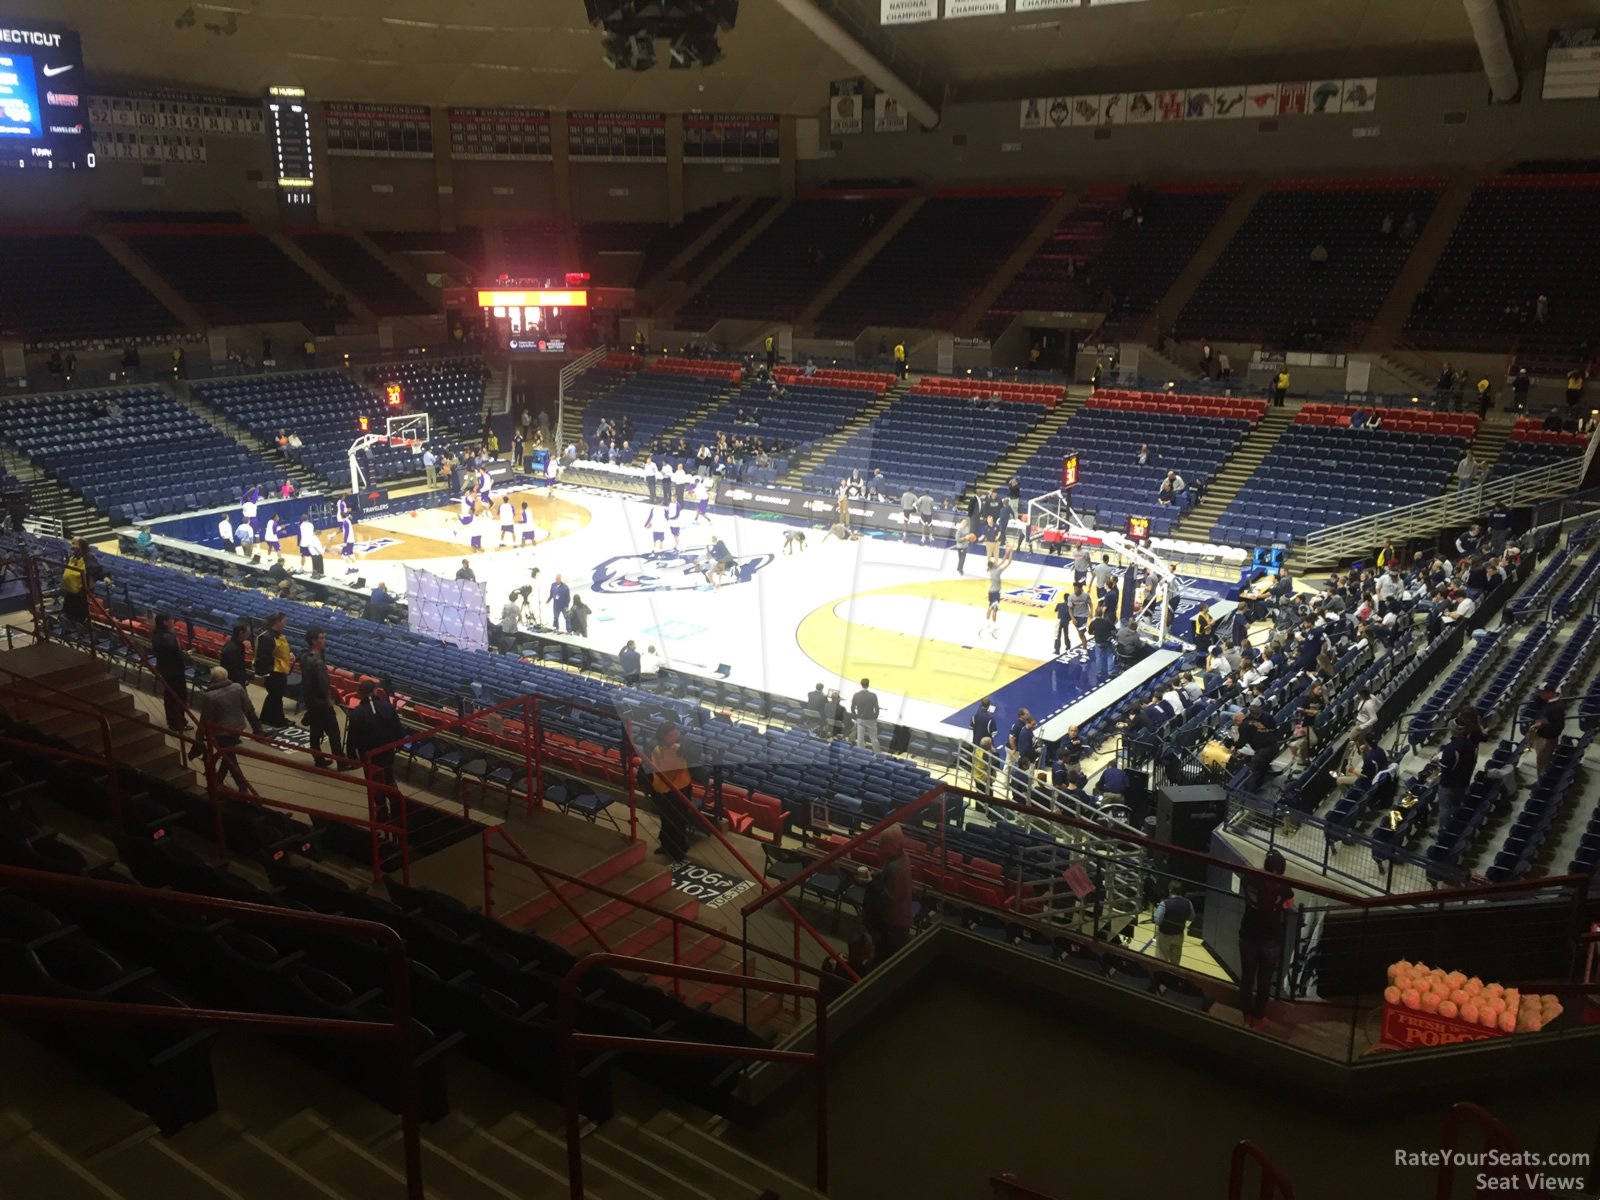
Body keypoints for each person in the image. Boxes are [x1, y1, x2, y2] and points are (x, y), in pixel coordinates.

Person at [1237, 850, 1293, 1026]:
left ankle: (1246, 1016)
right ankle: (1258, 1016)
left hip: (1249, 934)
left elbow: (1245, 891)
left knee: (1247, 978)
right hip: (1271, 938)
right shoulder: (1284, 888)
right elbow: (1288, 904)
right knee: (1264, 981)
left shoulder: (1249, 879)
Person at [189, 665, 264, 791]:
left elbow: (205, 720)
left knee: (229, 757)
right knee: (228, 755)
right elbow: (249, 709)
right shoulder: (238, 687)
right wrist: (258, 728)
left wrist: (199, 739)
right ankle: (222, 779)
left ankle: (242, 785)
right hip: (237, 727)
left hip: (221, 732)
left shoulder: (210, 696)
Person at [346, 679, 405, 823]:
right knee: (389, 778)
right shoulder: (388, 707)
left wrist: (352, 755)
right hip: (387, 750)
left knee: (374, 782)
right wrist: (399, 743)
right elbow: (397, 727)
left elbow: (352, 737)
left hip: (368, 754)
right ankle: (397, 809)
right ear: (374, 690)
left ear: (360, 693)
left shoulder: (357, 713)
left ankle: (382, 811)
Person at [863, 825, 913, 957]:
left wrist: (871, 883)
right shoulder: (901, 857)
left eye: (883, 845)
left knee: (885, 955)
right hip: (897, 920)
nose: (880, 848)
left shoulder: (896, 867)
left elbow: (889, 898)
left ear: (892, 845)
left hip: (894, 923)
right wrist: (877, 876)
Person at [301, 627, 344, 771]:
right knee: (334, 732)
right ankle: (342, 762)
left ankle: (318, 759)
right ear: (314, 641)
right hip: (321, 703)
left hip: (311, 701)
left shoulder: (305, 656)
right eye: (321, 638)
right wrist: (328, 700)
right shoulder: (318, 663)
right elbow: (323, 684)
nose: (324, 640)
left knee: (315, 731)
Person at [648, 725, 694, 860]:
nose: (674, 738)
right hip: (662, 788)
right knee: (665, 818)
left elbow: (694, 755)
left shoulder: (683, 744)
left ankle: (679, 850)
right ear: (663, 736)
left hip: (681, 788)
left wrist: (681, 749)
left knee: (679, 820)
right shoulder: (656, 747)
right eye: (670, 736)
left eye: (675, 735)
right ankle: (666, 845)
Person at [150, 613, 190, 731]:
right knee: (179, 698)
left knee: (169, 697)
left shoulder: (156, 635)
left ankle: (173, 722)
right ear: (165, 622)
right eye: (171, 619)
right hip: (175, 671)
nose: (173, 620)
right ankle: (179, 723)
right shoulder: (169, 637)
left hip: (165, 670)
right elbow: (175, 653)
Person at [1152, 881, 1194, 966]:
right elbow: (1191, 917)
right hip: (1178, 935)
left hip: (1164, 935)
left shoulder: (1164, 903)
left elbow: (1157, 920)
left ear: (1170, 890)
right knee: (1175, 961)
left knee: (1161, 958)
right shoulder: (1188, 903)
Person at [1527, 685, 1566, 775]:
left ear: (1550, 693)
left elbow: (1558, 727)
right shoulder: (1547, 702)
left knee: (1542, 762)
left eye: (1542, 693)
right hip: (1543, 737)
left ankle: (1540, 784)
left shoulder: (1556, 707)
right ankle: (1540, 782)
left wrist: (1542, 725)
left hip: (1547, 740)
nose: (1540, 694)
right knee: (1541, 761)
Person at [983, 548, 1011, 641]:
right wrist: (1011, 553)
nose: (996, 563)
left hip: (991, 591)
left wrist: (1006, 553)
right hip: (995, 592)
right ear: (993, 565)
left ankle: (987, 623)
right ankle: (993, 625)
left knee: (990, 607)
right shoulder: (997, 571)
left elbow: (1001, 561)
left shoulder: (991, 569)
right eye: (994, 562)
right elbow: (1008, 563)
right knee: (994, 609)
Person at [1058, 581, 1091, 654]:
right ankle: (1084, 645)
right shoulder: (1071, 597)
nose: (1075, 590)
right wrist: (1072, 618)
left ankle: (1085, 651)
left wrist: (1091, 613)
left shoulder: (1085, 595)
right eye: (1074, 588)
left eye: (1076, 588)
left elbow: (1090, 604)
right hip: (1076, 616)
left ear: (1080, 589)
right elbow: (1070, 608)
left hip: (1083, 615)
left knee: (1081, 633)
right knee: (1079, 633)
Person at [851, 679, 881, 751]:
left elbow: (852, 708)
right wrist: (875, 717)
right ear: (868, 684)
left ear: (861, 684)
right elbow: (877, 708)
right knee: (874, 739)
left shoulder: (856, 695)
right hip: (871, 719)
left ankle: (861, 753)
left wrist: (856, 717)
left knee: (860, 739)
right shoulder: (873, 695)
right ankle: (877, 754)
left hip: (860, 719)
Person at [219, 620, 252, 686]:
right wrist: (244, 678)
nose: (249, 635)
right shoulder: (232, 648)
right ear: (241, 633)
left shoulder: (239, 645)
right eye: (248, 633)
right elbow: (232, 669)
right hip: (230, 682)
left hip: (236, 679)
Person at [1008, 709, 1039, 777]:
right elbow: (1024, 749)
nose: (1034, 726)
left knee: (1010, 764)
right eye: (1033, 724)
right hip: (1027, 759)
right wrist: (1014, 748)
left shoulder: (1029, 730)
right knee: (1019, 769)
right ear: (1028, 723)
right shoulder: (1024, 733)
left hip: (1029, 759)